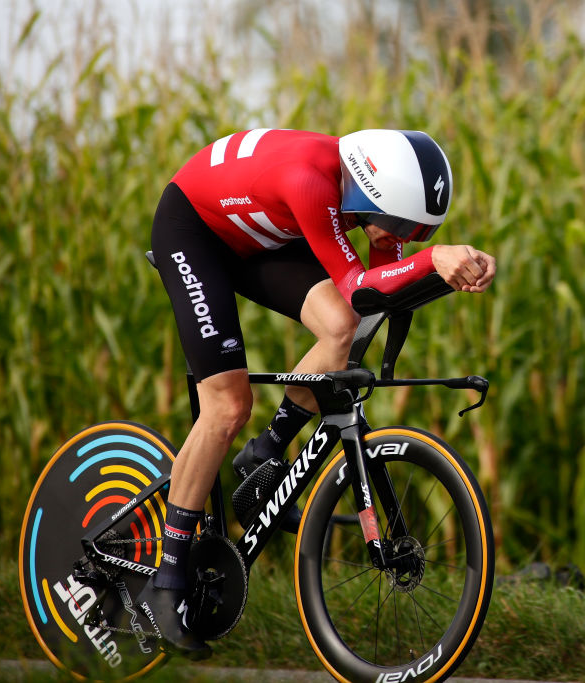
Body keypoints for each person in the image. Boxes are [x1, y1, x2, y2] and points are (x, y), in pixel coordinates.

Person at [138, 128, 496, 658]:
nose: (398, 235)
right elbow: (362, 285)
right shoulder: (310, 182)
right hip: (194, 230)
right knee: (228, 404)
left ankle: (265, 453)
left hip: (257, 235)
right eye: (398, 225)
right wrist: (434, 258)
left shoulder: (364, 197)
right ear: (371, 195)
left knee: (341, 326)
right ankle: (164, 583)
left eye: (415, 232)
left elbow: (377, 293)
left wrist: (445, 273)